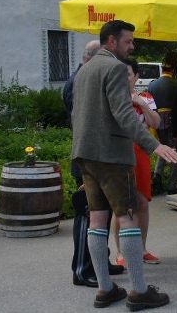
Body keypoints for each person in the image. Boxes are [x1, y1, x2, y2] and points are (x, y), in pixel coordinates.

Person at [71, 20, 177, 310]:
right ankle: (139, 291)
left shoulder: (85, 69)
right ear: (111, 42)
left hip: (85, 154)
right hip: (112, 155)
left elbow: (77, 112)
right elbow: (124, 114)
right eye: (128, 41)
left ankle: (106, 289)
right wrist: (155, 145)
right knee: (128, 216)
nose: (132, 46)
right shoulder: (115, 68)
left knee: (97, 219)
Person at [66, 40, 125, 288]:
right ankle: (82, 269)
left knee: (102, 213)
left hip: (99, 157)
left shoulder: (86, 77)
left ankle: (101, 261)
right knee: (88, 215)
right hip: (87, 158)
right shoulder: (79, 80)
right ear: (92, 58)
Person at [113, 59, 161, 266]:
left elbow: (156, 123)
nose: (125, 78)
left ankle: (141, 248)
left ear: (136, 77)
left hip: (140, 152)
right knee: (120, 205)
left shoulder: (146, 98)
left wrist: (141, 103)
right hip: (117, 153)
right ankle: (120, 252)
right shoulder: (112, 97)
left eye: (128, 74)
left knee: (142, 202)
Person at [149, 52, 177, 196]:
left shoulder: (152, 85)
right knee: (175, 151)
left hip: (157, 120)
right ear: (174, 69)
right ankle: (172, 185)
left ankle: (157, 177)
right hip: (173, 120)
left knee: (162, 149)